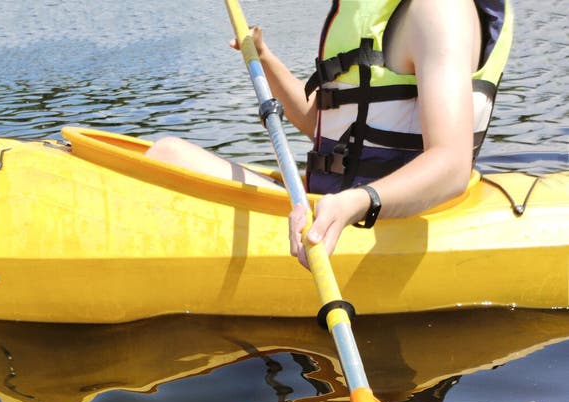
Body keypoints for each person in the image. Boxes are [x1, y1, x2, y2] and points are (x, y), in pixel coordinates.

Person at [146, 0, 512, 268]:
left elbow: (451, 164)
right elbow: (323, 127)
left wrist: (357, 202)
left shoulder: (439, 11)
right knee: (166, 156)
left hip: (371, 220)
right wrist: (264, 59)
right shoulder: (378, 13)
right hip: (334, 207)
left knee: (166, 157)